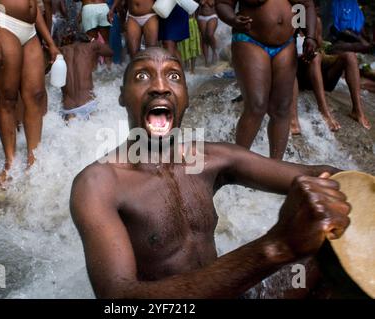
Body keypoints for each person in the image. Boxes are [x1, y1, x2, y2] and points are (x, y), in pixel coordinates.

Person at [70, 48, 351, 298]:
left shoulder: (213, 159)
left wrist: (352, 192)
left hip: (228, 289)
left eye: (173, 77)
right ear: (122, 96)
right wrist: (275, 247)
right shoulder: (98, 184)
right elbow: (117, 298)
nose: (160, 87)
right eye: (143, 76)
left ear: (186, 96)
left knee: (331, 257)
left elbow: (323, 176)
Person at [215, 0, 317, 160]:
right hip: (250, 40)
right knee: (256, 106)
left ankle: (274, 167)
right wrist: (232, 19)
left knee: (282, 109)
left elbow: (307, 5)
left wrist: (310, 37)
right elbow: (222, 4)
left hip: (286, 45)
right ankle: (236, 166)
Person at [0, 0, 61, 187]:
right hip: (3, 23)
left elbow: (35, 9)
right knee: (8, 98)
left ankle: (33, 159)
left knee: (36, 95)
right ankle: (10, 165)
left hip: (30, 30)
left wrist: (50, 42)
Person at [290, 5, 371, 135]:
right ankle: (324, 110)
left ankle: (357, 110)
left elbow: (320, 47)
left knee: (350, 56)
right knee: (315, 58)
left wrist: (315, 46)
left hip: (316, 71)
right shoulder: (291, 16)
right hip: (299, 72)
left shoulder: (316, 22)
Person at [59, 32, 113, 121]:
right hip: (88, 105)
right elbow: (110, 52)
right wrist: (93, 40)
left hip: (69, 109)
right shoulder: (91, 47)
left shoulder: (60, 51)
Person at [197, 0, 218, 66]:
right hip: (201, 16)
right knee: (204, 37)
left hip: (212, 16)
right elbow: (200, 3)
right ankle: (206, 60)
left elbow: (212, 3)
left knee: (210, 34)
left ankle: (214, 53)